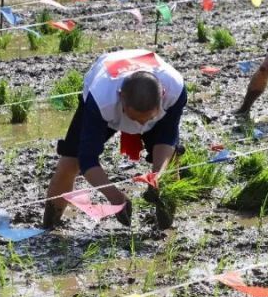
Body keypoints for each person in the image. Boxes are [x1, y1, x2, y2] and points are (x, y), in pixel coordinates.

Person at [44, 49, 187, 230]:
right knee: (69, 162)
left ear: (163, 95)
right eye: (134, 119)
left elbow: (167, 138)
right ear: (121, 97)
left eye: (148, 119)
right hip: (105, 101)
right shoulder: (101, 98)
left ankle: (165, 229)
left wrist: (157, 175)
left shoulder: (175, 89)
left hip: (146, 95)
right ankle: (48, 228)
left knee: (170, 163)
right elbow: (87, 159)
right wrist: (115, 196)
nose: (140, 125)